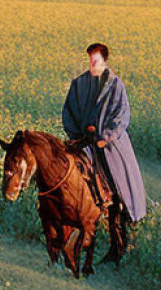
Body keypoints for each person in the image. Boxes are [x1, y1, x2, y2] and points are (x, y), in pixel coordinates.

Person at [62, 42, 147, 224]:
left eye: (96, 61)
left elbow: (121, 115)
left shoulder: (116, 85)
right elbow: (69, 111)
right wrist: (75, 135)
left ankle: (129, 215)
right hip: (84, 140)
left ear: (104, 61)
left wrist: (106, 137)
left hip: (110, 142)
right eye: (90, 61)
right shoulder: (79, 83)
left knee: (119, 176)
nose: (92, 65)